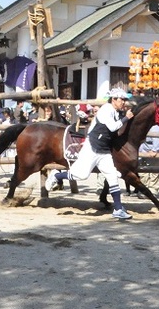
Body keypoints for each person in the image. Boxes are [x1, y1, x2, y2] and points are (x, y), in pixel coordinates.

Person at [45, 88, 135, 219]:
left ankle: (118, 208)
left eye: (124, 100)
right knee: (81, 175)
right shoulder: (106, 110)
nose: (123, 102)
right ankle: (57, 176)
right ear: (114, 100)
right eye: (121, 99)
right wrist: (126, 118)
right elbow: (112, 127)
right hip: (92, 148)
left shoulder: (115, 111)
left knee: (112, 177)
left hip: (104, 150)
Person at [136, 124, 159, 198]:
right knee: (142, 171)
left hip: (158, 149)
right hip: (144, 148)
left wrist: (154, 150)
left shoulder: (154, 127)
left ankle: (153, 191)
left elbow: (157, 139)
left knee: (155, 171)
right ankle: (144, 190)